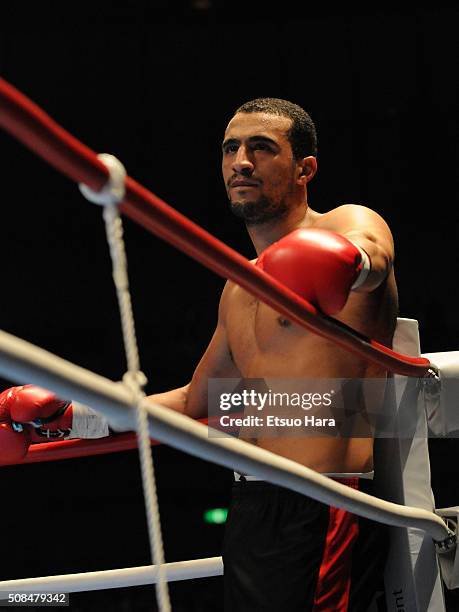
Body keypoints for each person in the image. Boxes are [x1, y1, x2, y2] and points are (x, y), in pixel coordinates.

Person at [0, 98, 397, 611]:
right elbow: (196, 402)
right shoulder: (238, 287)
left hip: (325, 499)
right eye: (231, 148)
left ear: (306, 169)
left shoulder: (343, 223)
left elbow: (373, 255)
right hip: (251, 503)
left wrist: (348, 262)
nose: (242, 161)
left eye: (261, 148)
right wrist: (72, 419)